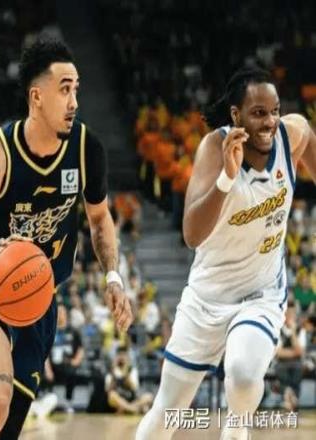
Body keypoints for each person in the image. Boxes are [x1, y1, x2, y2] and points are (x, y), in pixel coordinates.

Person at [0, 39, 133, 440]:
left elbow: (100, 220)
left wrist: (113, 277)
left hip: (40, 296)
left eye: (76, 89)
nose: (74, 102)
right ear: (37, 96)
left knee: (6, 429)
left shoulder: (87, 150)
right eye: (64, 89)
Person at [135, 67, 316, 440]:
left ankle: (236, 429)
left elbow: (307, 140)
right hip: (208, 296)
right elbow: (191, 234)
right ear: (236, 115)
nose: (269, 122)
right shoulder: (213, 149)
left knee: (245, 376)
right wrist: (226, 179)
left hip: (260, 293)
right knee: (167, 412)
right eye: (258, 113)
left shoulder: (292, 134)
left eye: (274, 111)